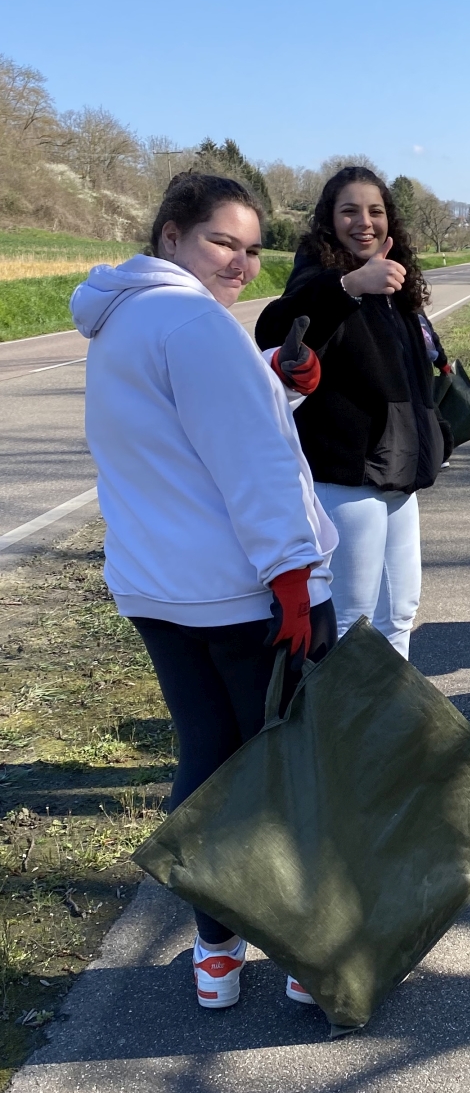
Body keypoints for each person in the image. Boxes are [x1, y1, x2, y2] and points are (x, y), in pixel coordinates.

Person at [70, 173, 338, 1010]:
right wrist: (292, 572)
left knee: (207, 761)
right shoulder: (192, 321)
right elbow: (251, 463)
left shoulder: (122, 317)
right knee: (292, 767)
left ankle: (215, 951)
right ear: (173, 235)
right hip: (247, 593)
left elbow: (185, 428)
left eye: (256, 249)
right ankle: (306, 949)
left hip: (160, 591)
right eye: (224, 241)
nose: (243, 262)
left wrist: (275, 376)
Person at [256, 167, 453, 659]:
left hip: (400, 474)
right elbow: (274, 329)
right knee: (351, 617)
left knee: (400, 612)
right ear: (329, 219)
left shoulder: (395, 288)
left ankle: (389, 727)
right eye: (349, 210)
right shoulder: (322, 281)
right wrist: (348, 286)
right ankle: (343, 732)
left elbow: (413, 383)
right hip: (347, 480)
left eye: (375, 211)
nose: (364, 222)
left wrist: (437, 436)